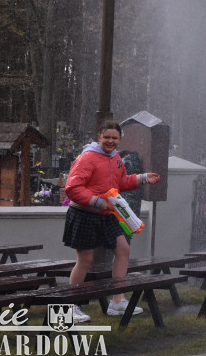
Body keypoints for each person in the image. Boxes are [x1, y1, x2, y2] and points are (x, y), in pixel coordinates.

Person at [63, 120, 161, 323]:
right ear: (98, 137)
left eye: (114, 138)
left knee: (123, 249)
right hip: (85, 214)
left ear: (120, 140)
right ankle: (71, 306)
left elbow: (121, 182)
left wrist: (143, 178)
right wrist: (97, 202)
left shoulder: (115, 158)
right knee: (85, 260)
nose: (110, 141)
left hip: (106, 214)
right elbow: (72, 188)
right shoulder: (87, 158)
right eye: (106, 137)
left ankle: (117, 301)